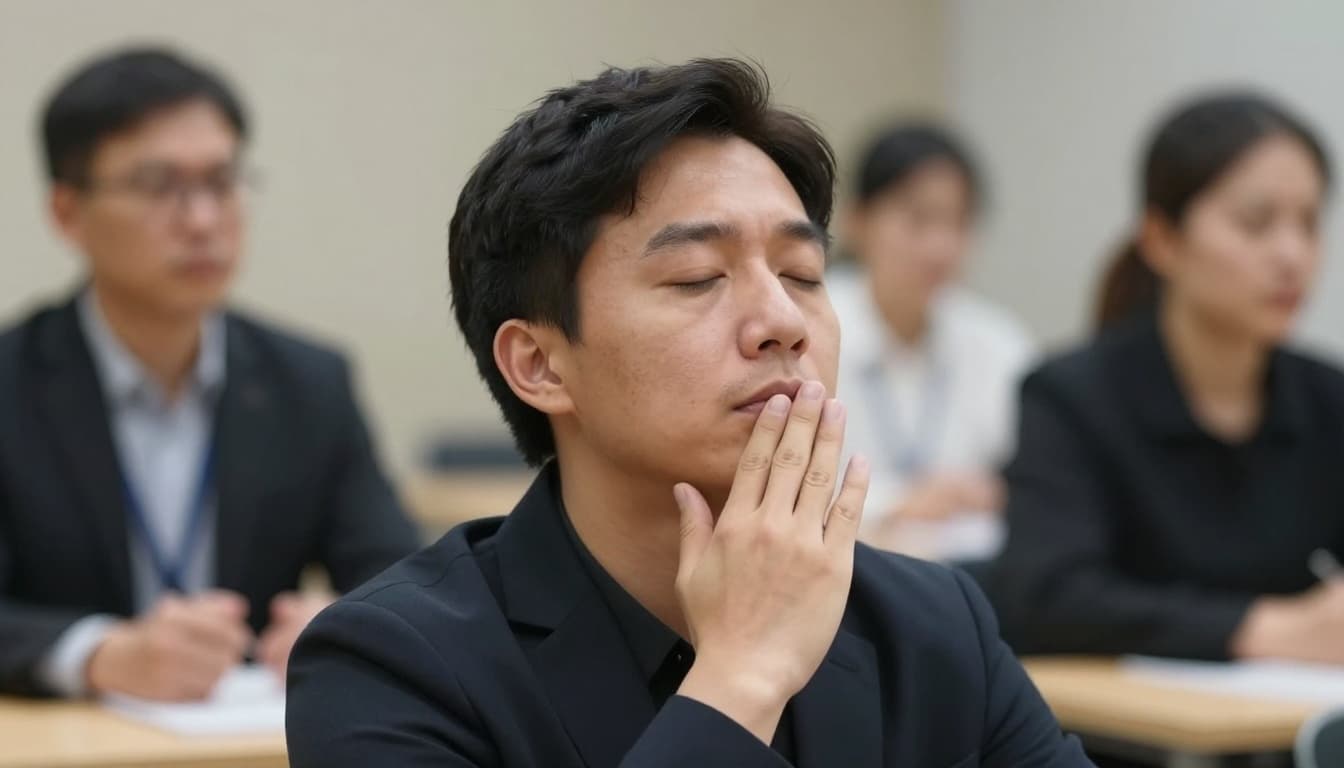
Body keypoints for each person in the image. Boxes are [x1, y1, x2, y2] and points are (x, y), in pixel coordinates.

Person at [286, 58, 1089, 767]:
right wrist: (739, 678)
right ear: (539, 364)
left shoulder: (933, 624)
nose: (783, 320)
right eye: (699, 277)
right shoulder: (393, 665)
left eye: (804, 273)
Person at [0, 47, 419, 700]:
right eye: (158, 186)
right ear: (67, 212)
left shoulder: (309, 383)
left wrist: (347, 623)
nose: (202, 221)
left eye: (221, 182)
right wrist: (97, 654)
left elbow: (400, 576)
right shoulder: (11, 382)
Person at [989, 91, 1344, 663]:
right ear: (1161, 239)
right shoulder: (1070, 397)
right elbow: (1047, 598)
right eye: (1256, 223)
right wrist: (1265, 629)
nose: (1292, 254)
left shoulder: (1329, 399)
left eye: (1309, 223)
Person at [830, 123, 1034, 558]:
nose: (941, 247)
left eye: (959, 223)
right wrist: (897, 505)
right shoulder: (813, 327)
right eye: (918, 219)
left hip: (969, 577)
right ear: (858, 221)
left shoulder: (996, 340)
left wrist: (990, 493)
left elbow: (1038, 479)